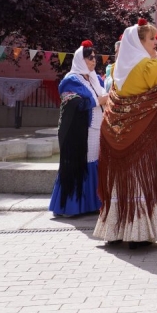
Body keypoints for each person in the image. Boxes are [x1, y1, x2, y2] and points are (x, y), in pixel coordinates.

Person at [93, 20, 157, 247]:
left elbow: (116, 100)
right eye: (152, 39)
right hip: (144, 136)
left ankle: (115, 230)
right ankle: (139, 233)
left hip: (117, 134)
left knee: (121, 183)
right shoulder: (152, 67)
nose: (156, 42)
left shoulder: (116, 68)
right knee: (141, 182)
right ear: (139, 42)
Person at [49, 40, 106, 217]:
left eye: (95, 58)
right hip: (80, 130)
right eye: (89, 58)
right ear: (80, 60)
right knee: (81, 162)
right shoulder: (71, 80)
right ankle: (72, 206)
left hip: (97, 127)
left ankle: (93, 203)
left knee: (94, 162)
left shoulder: (96, 78)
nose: (93, 61)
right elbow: (74, 103)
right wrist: (98, 101)